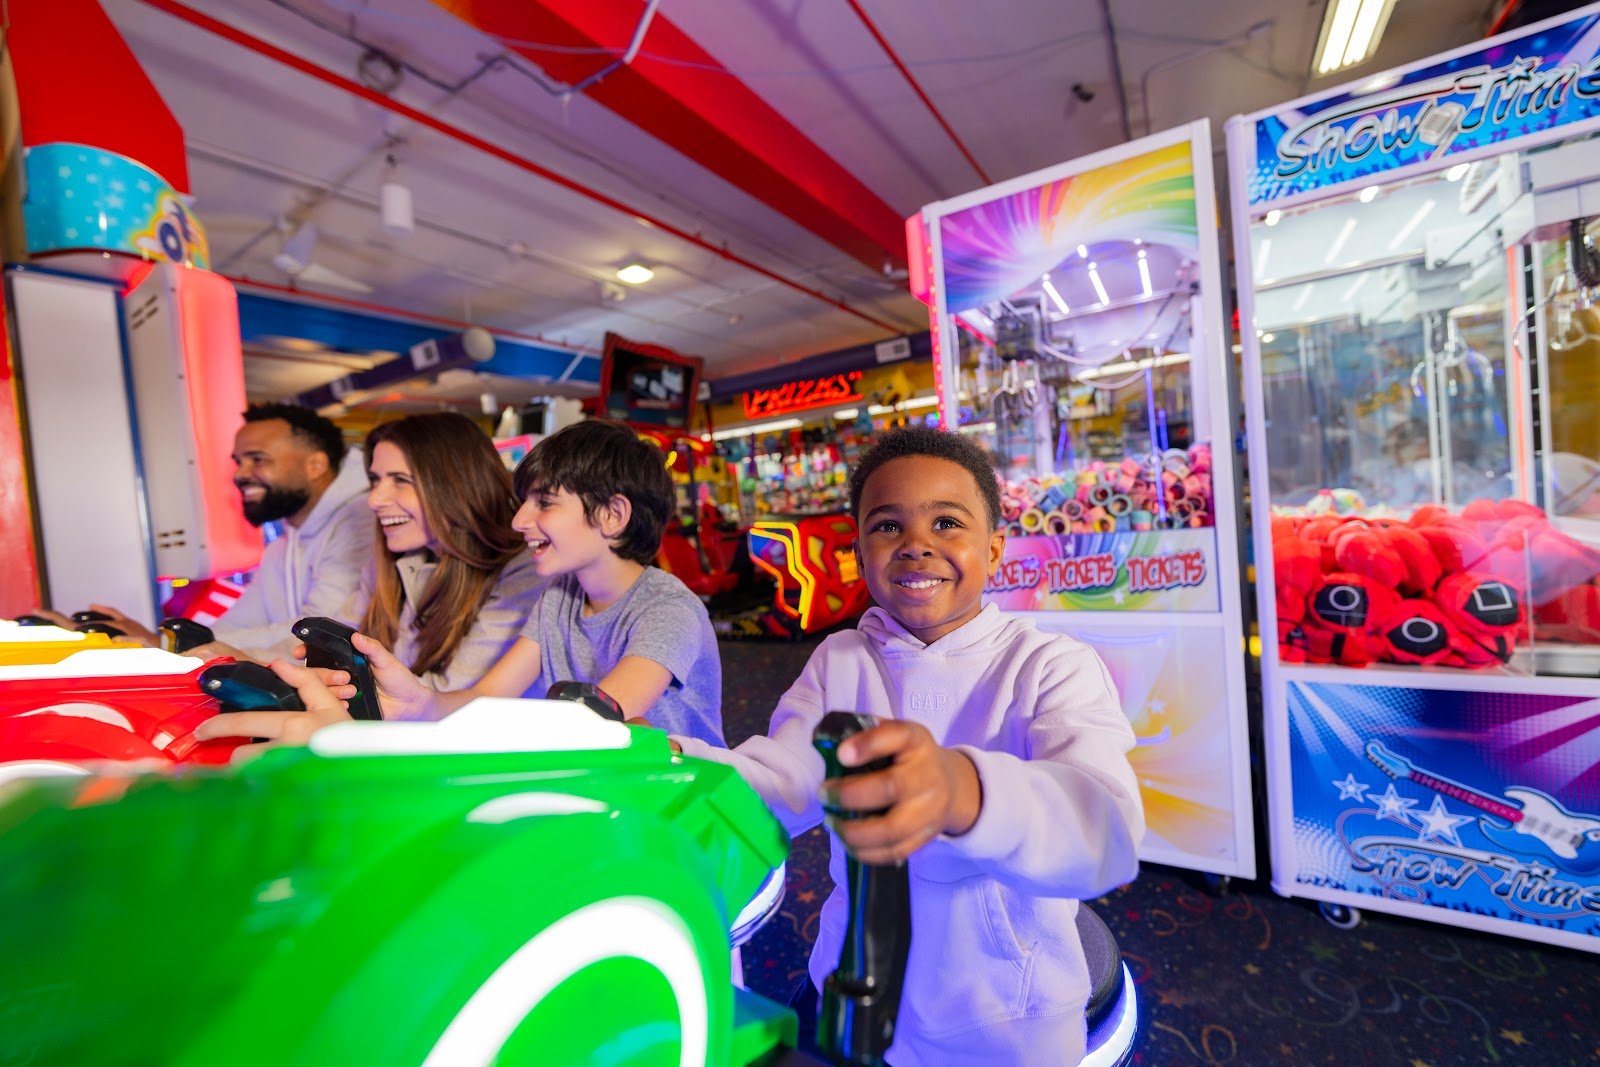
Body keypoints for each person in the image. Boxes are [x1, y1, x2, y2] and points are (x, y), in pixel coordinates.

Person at [670, 425, 1144, 1065]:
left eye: (947, 522)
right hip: (855, 987)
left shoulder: (1050, 664)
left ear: (994, 550)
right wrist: (673, 763)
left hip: (1006, 1018)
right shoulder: (840, 659)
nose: (917, 544)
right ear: (859, 554)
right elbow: (784, 780)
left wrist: (963, 792)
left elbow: (1105, 832)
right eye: (888, 526)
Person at [200, 419, 725, 746]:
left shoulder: (666, 607)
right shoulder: (560, 598)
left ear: (612, 516)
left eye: (544, 503)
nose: (519, 520)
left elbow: (599, 719)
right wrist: (417, 703)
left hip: (692, 805)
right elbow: (486, 695)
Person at [70, 403, 371, 662]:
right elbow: (239, 623)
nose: (240, 474)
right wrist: (166, 642)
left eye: (258, 459)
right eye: (239, 462)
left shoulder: (360, 524)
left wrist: (173, 646)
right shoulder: (283, 543)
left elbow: (320, 632)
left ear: (315, 465)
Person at [347, 412, 543, 691]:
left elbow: (451, 693)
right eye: (375, 480)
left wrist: (337, 690)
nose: (375, 499)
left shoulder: (525, 569)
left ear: (456, 485)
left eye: (400, 480)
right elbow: (340, 633)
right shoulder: (398, 559)